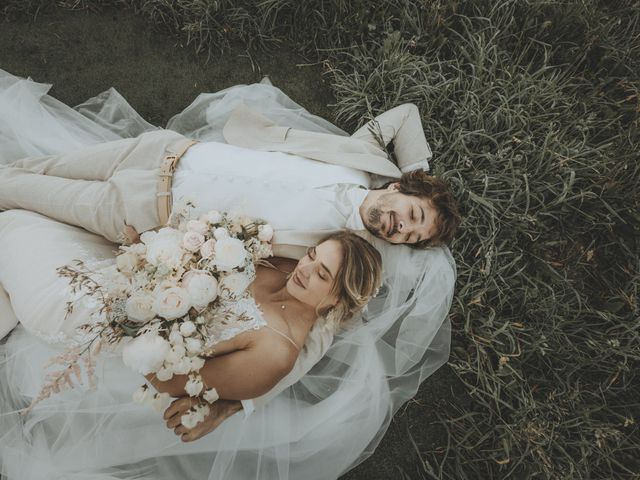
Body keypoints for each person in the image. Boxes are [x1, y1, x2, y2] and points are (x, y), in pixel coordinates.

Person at [0, 69, 457, 479]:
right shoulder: (364, 159)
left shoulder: (343, 250)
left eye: (412, 238)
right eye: (412, 215)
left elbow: (310, 338)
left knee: (16, 190)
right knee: (31, 170)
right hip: (166, 152)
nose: (403, 228)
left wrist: (235, 401)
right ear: (398, 187)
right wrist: (419, 169)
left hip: (144, 207)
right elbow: (404, 114)